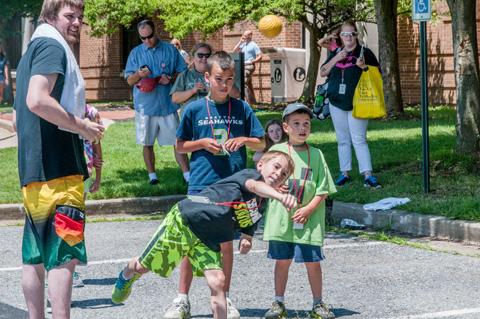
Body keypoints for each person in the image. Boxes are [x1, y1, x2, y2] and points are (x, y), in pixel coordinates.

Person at [111, 151, 297, 319]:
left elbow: (250, 220)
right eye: (276, 166)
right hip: (185, 221)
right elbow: (255, 186)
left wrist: (246, 239)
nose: (278, 174)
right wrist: (280, 196)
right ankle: (127, 274)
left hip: (208, 239)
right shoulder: (250, 175)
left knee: (218, 282)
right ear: (260, 165)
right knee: (144, 266)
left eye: (284, 174)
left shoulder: (260, 203)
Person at [13, 0, 104, 317]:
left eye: (80, 16)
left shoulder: (31, 51)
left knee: (34, 257)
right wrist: (81, 126)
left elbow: (17, 115)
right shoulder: (53, 48)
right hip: (61, 173)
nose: (77, 22)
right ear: (50, 17)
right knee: (64, 255)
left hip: (34, 175)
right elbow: (37, 99)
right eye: (70, 16)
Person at [171, 51, 266, 319]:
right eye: (219, 79)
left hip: (232, 186)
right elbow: (179, 146)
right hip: (201, 185)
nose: (224, 84)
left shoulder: (242, 108)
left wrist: (245, 140)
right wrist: (201, 143)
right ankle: (182, 299)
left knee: (226, 243)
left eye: (229, 79)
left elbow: (262, 143)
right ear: (207, 78)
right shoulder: (194, 109)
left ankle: (225, 297)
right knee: (191, 243)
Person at [262, 103, 337, 319]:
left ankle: (317, 304)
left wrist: (309, 209)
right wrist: (276, 186)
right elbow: (264, 181)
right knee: (282, 261)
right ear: (285, 127)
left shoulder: (317, 154)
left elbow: (323, 188)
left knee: (313, 262)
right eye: (296, 124)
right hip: (282, 220)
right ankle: (278, 303)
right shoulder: (276, 151)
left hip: (309, 220)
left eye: (306, 124)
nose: (302, 128)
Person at [125, 19, 190, 185]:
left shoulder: (170, 49)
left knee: (178, 141)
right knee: (147, 143)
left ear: (156, 32)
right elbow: (129, 81)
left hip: (167, 105)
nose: (147, 41)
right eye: (143, 38)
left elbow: (183, 73)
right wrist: (139, 74)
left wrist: (171, 79)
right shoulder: (135, 53)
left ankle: (187, 175)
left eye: (150, 36)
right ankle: (152, 176)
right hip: (144, 106)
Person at [320, 21, 382, 188]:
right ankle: (344, 173)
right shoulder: (336, 52)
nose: (348, 37)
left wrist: (364, 68)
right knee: (342, 139)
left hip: (357, 102)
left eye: (352, 34)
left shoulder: (365, 52)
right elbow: (323, 71)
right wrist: (336, 59)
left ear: (357, 35)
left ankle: (367, 174)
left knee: (359, 139)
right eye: (344, 34)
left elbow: (377, 76)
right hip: (335, 102)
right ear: (340, 37)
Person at [170, 42, 212, 113]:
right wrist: (192, 91)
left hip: (211, 118)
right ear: (193, 57)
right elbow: (175, 98)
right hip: (191, 119)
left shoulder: (217, 75)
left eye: (207, 55)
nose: (204, 58)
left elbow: (235, 94)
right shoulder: (185, 75)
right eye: (200, 55)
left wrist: (212, 88)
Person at [233, 30, 262, 105]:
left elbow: (260, 56)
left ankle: (247, 103)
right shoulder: (243, 44)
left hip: (249, 66)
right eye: (243, 35)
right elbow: (234, 51)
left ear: (250, 36)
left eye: (245, 35)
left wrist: (252, 61)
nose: (244, 37)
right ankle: (253, 103)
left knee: (243, 82)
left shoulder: (254, 45)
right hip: (242, 65)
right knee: (249, 84)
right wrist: (240, 42)